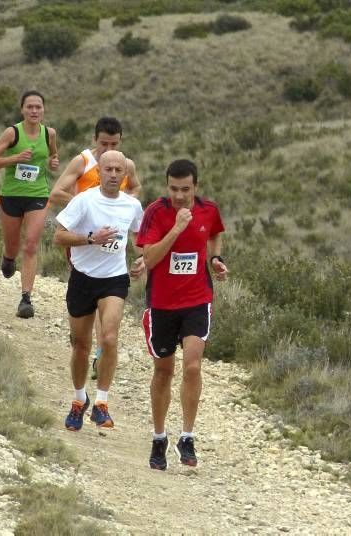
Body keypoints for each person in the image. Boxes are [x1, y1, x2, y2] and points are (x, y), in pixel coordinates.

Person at [135, 159, 228, 470]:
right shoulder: (155, 213)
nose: (178, 195)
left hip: (196, 299)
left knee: (192, 366)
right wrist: (176, 228)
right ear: (167, 187)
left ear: (195, 187)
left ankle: (187, 437)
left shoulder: (209, 210)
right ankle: (159, 437)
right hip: (162, 303)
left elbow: (214, 234)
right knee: (164, 372)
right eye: (173, 189)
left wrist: (215, 259)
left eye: (185, 189)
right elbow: (149, 258)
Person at [53, 151, 144, 431]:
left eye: (119, 170)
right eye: (109, 169)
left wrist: (142, 259)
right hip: (83, 278)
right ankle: (79, 400)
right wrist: (91, 239)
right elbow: (58, 236)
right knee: (80, 345)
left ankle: (102, 403)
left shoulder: (132, 205)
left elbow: (142, 237)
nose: (114, 174)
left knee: (110, 337)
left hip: (114, 279)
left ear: (125, 175)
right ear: (100, 172)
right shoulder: (84, 200)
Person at [50, 116, 141, 381]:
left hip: (113, 240)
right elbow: (56, 194)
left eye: (114, 143)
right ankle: (84, 342)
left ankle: (102, 354)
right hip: (81, 233)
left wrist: (122, 204)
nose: (108, 149)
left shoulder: (126, 164)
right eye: (104, 143)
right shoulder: (83, 162)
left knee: (109, 313)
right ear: (94, 140)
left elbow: (136, 187)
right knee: (87, 290)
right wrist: (86, 204)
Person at [0, 90, 59, 318]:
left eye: (38, 107)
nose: (34, 111)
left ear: (44, 109)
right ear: (22, 110)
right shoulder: (12, 133)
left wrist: (53, 163)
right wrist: (14, 158)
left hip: (38, 194)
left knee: (31, 245)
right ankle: (8, 259)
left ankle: (26, 298)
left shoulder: (50, 134)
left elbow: (53, 157)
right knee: (13, 246)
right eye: (30, 107)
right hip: (11, 195)